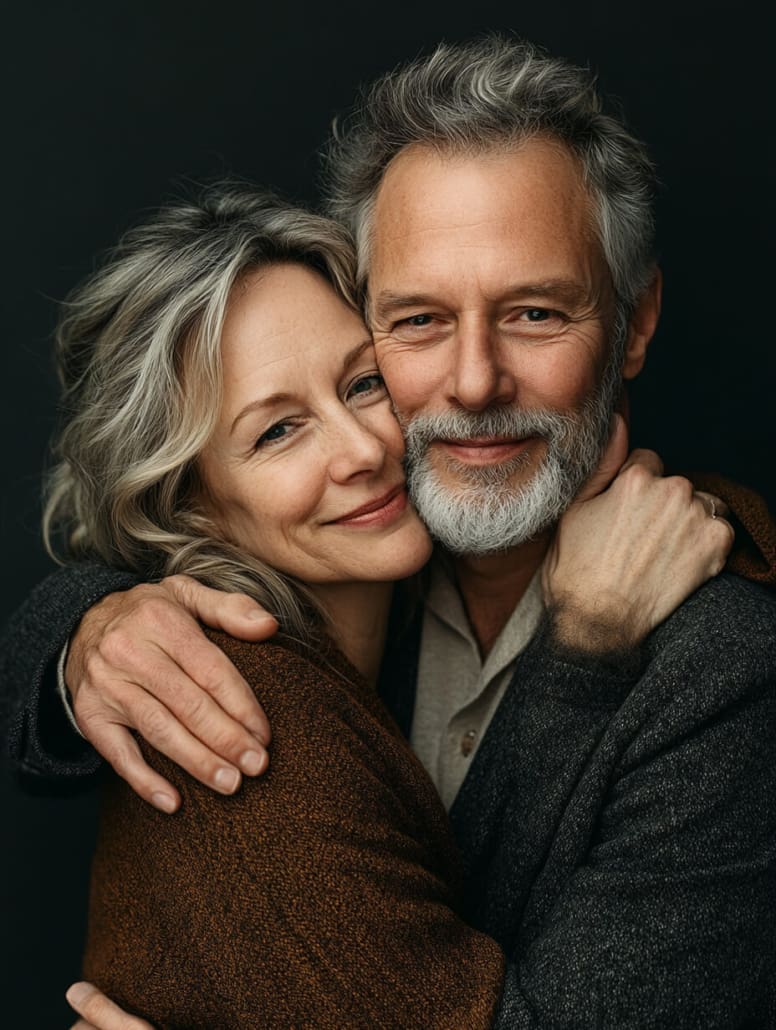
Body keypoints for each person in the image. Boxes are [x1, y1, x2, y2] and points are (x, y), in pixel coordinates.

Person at [4, 35, 775, 1027]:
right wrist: (80, 635)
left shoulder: (724, 671)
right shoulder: (304, 616)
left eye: (533, 312)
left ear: (631, 323)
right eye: (414, 322)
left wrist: (585, 662)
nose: (469, 383)